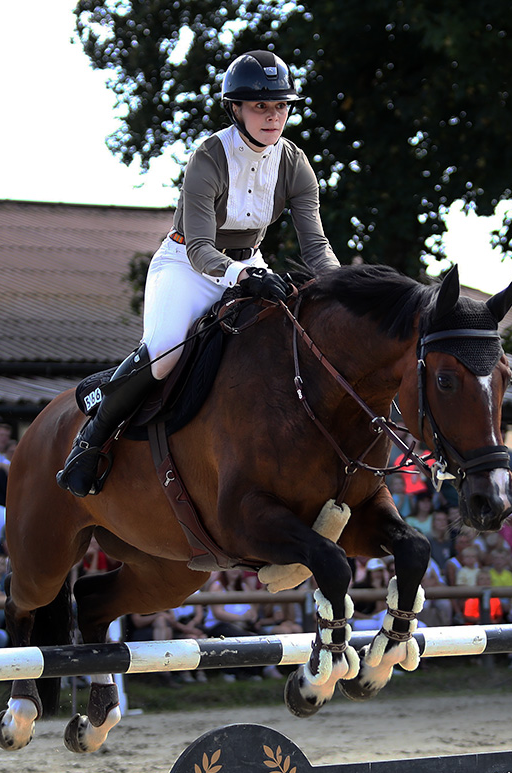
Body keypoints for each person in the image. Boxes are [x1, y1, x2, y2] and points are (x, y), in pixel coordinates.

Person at [56, 50, 341, 497]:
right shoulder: (209, 156)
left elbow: (316, 246)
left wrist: (339, 287)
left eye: (280, 106)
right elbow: (201, 249)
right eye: (260, 106)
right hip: (187, 265)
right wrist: (243, 277)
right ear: (236, 109)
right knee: (166, 352)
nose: (272, 116)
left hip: (250, 263)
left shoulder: (295, 163)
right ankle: (90, 440)